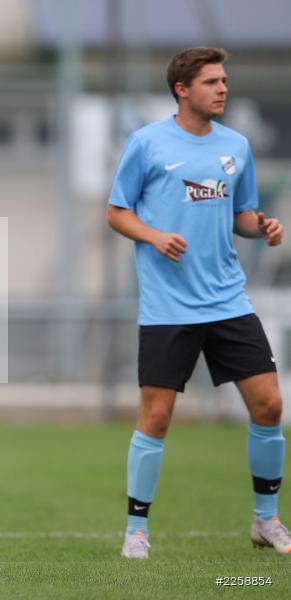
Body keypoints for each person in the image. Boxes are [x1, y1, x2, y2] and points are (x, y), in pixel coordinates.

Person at [107, 47, 287, 559]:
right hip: (168, 307)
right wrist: (154, 235)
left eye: (224, 80)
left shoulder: (237, 146)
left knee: (270, 405)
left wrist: (263, 227)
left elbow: (242, 214)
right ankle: (136, 530)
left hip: (228, 300)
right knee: (157, 417)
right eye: (212, 81)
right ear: (183, 90)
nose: (223, 88)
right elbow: (117, 213)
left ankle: (266, 519)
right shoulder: (146, 144)